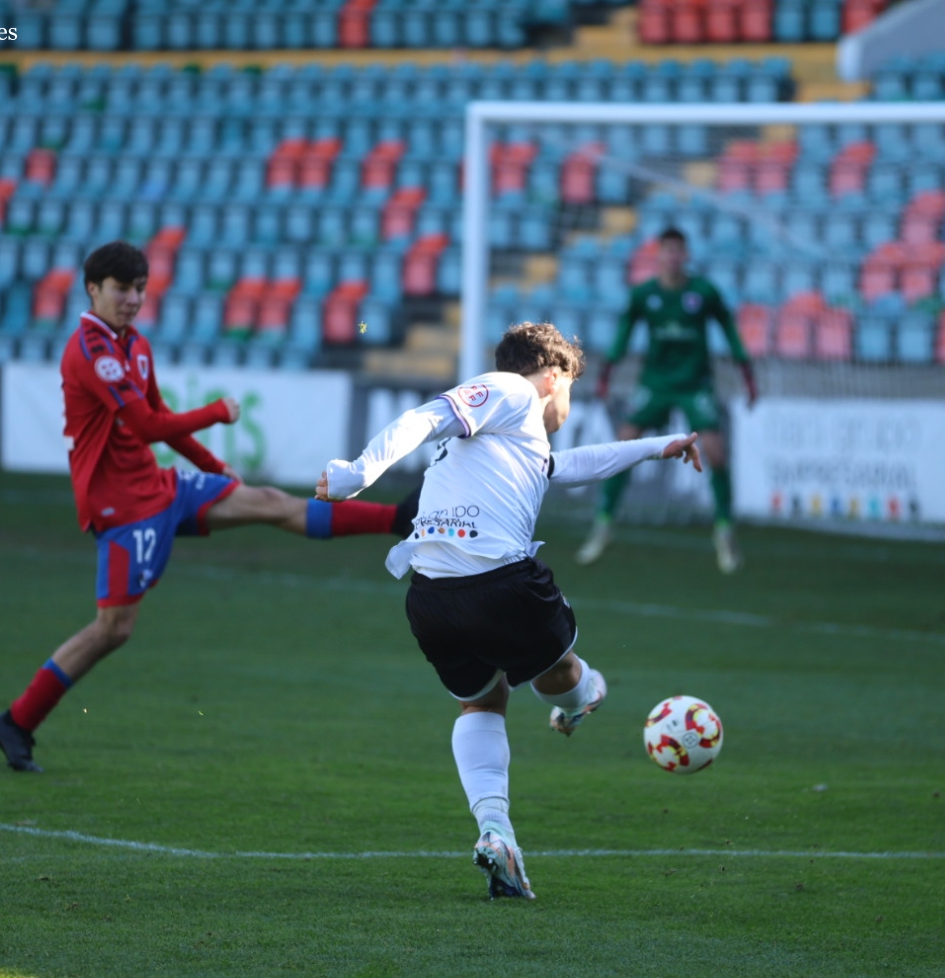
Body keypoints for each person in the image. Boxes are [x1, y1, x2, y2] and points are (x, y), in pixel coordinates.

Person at [0, 241, 414, 773]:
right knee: (113, 629)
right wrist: (214, 413)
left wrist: (212, 466)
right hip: (122, 507)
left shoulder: (135, 344)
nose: (133, 299)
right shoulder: (90, 351)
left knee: (271, 502)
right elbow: (145, 426)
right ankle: (17, 721)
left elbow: (157, 415)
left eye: (140, 289)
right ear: (93, 289)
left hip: (159, 485)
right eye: (122, 289)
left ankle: (397, 519)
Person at [316, 322, 702, 900]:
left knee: (481, 701)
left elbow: (573, 466)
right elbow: (426, 415)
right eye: (570, 388)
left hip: (430, 596)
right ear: (553, 377)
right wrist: (357, 475)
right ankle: (587, 693)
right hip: (500, 582)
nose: (568, 403)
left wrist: (656, 446)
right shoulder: (514, 391)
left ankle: (497, 832)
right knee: (564, 674)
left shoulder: (510, 440)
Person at [577, 226, 757, 574]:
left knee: (716, 452)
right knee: (624, 444)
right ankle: (604, 523)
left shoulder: (703, 293)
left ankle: (724, 530)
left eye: (679, 251)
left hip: (695, 383)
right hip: (655, 383)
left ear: (686, 255)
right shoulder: (644, 295)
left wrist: (747, 375)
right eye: (667, 251)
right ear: (658, 255)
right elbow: (623, 335)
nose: (673, 257)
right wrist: (605, 375)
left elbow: (730, 330)